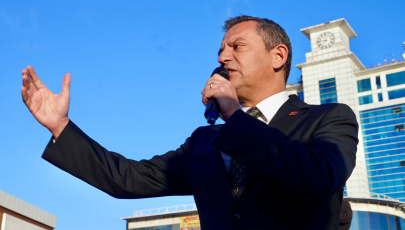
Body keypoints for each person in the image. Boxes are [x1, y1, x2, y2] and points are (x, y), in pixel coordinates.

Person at [21, 16, 358, 230]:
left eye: (237, 47)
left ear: (278, 56)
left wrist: (234, 116)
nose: (223, 58)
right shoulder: (204, 142)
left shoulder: (330, 118)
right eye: (221, 51)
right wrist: (60, 127)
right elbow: (126, 179)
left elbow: (316, 179)